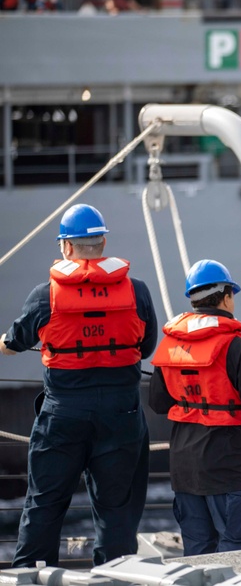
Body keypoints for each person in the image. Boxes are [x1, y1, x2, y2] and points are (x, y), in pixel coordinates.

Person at [0, 204, 157, 567]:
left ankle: (30, 576)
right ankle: (114, 576)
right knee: (117, 511)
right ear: (102, 242)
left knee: (44, 503)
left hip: (63, 415)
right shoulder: (137, 291)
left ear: (67, 247)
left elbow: (13, 343)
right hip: (122, 414)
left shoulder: (45, 295)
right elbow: (145, 348)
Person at [148, 259, 241, 555]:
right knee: (237, 550)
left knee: (197, 551)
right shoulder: (238, 346)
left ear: (194, 299)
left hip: (185, 468)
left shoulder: (171, 345)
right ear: (227, 297)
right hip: (229, 468)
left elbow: (157, 402)